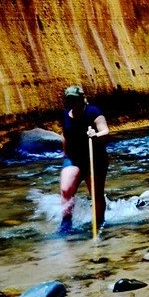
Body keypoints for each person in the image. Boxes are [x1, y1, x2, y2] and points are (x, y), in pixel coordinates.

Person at [59, 85, 109, 235]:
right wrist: (64, 153)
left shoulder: (93, 112)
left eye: (74, 100)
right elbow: (64, 134)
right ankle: (66, 224)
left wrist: (95, 135)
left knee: (96, 194)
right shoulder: (65, 114)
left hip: (96, 158)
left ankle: (99, 223)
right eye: (68, 100)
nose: (71, 103)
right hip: (73, 158)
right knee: (66, 189)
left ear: (82, 99)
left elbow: (105, 131)